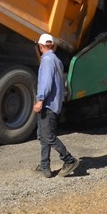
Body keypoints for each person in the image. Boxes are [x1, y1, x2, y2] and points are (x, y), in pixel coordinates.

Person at [32, 33, 80, 178]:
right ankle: (45, 166)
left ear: (40, 47)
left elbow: (46, 83)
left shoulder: (46, 60)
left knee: (48, 136)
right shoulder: (56, 60)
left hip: (48, 104)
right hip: (54, 104)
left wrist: (40, 100)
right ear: (52, 45)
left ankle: (69, 160)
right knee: (43, 135)